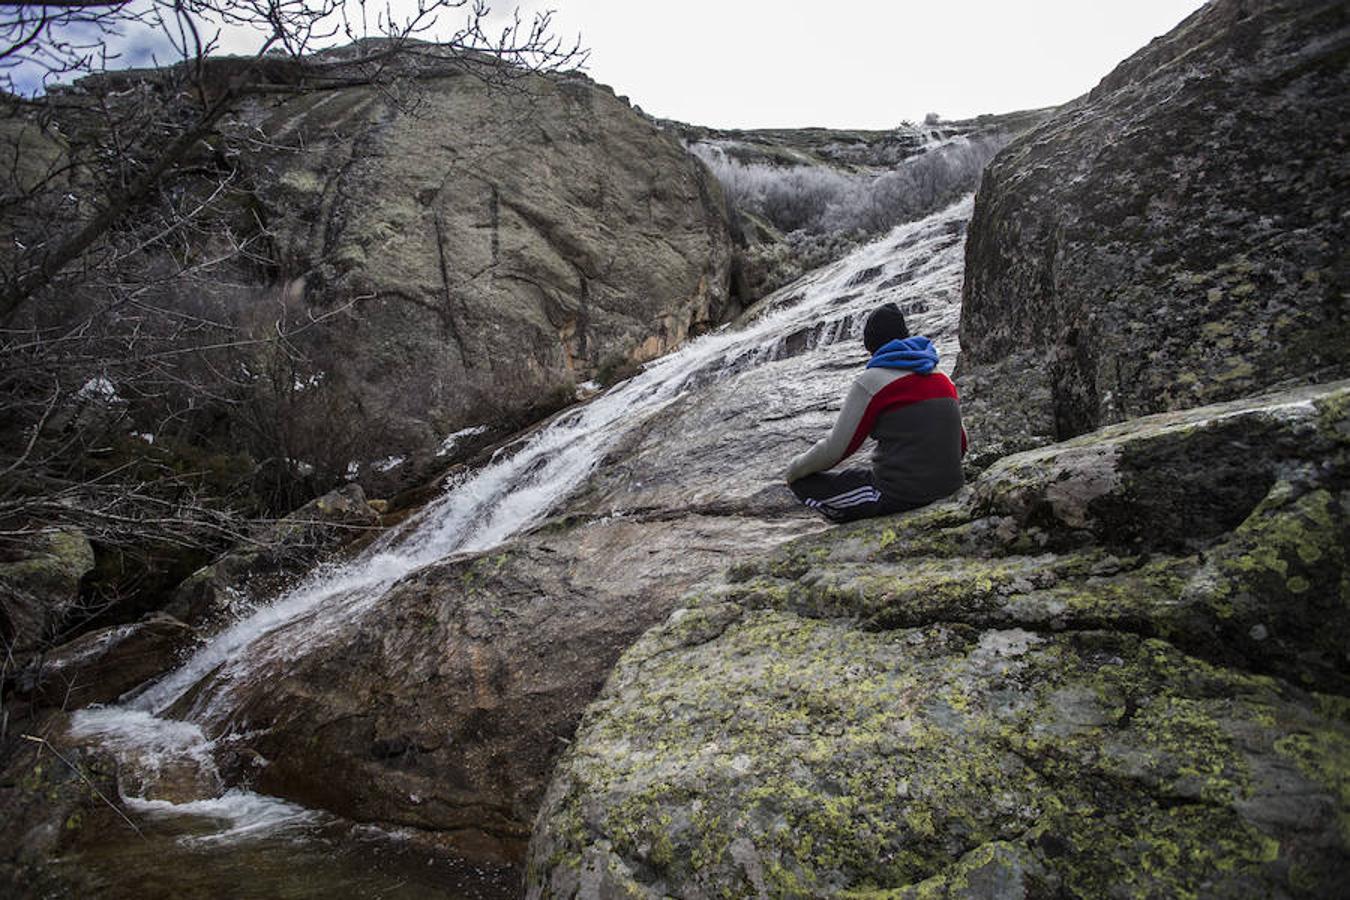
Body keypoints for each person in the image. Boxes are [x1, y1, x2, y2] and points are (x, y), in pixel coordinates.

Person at [784, 302, 967, 523]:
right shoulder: (941, 376)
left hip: (901, 495)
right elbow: (962, 444)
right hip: (953, 486)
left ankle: (848, 521)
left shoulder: (872, 381)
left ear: (872, 346)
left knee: (805, 483)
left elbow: (836, 449)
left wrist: (793, 469)